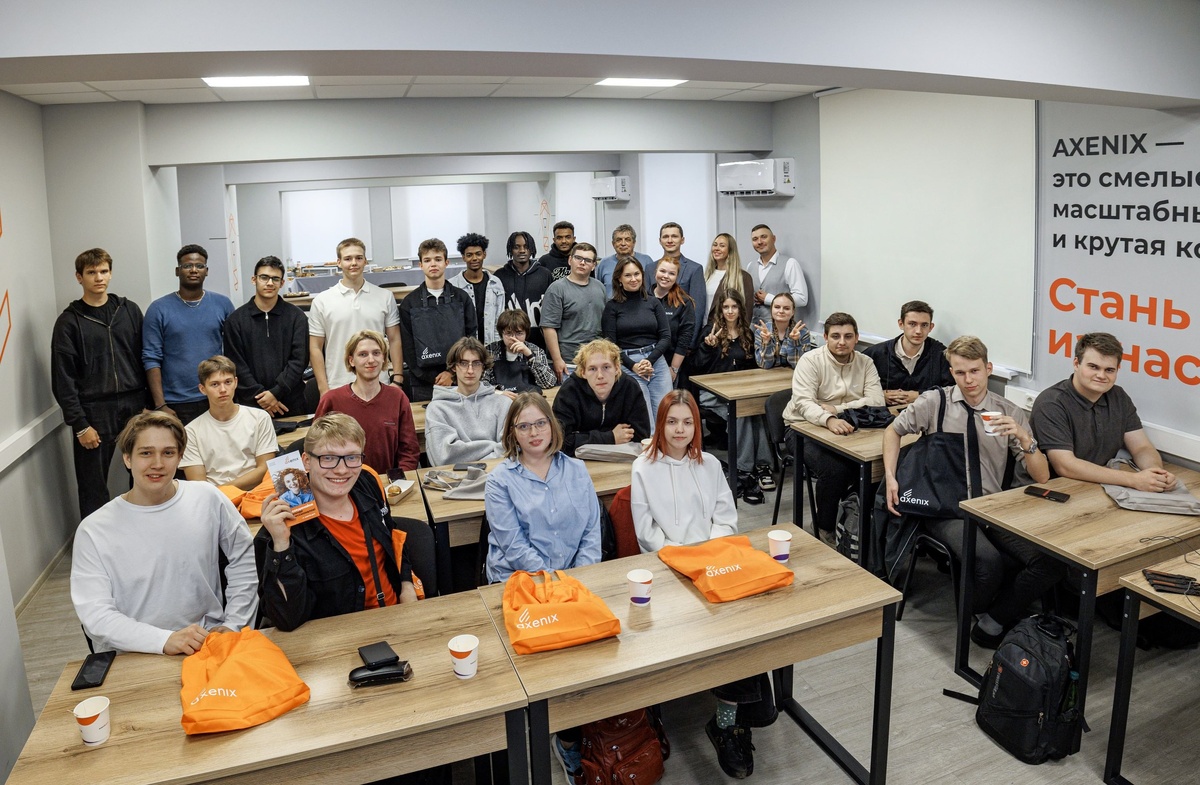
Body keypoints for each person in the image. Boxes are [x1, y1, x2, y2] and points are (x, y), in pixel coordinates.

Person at [883, 336, 1059, 648]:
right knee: (988, 563)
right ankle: (978, 614)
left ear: (988, 368)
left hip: (992, 507)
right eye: (961, 373)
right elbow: (892, 431)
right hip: (947, 507)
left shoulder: (1008, 411)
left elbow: (1042, 476)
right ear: (952, 372)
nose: (969, 380)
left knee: (1050, 562)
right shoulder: (935, 403)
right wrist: (890, 477)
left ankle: (993, 619)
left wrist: (1023, 437)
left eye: (975, 371)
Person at [630, 391, 767, 779]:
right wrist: (685, 560)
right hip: (669, 571)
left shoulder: (709, 465)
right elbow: (647, 534)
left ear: (697, 426)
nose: (680, 430)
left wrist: (708, 557)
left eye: (687, 422)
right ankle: (733, 718)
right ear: (661, 424)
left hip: (714, 564)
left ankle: (727, 720)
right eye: (672, 422)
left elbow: (727, 519)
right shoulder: (643, 468)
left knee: (747, 623)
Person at [71, 411, 258, 655]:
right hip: (132, 655)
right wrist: (164, 640)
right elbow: (96, 615)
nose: (157, 463)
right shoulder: (94, 530)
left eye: (168, 453)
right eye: (146, 453)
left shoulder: (207, 497)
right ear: (127, 458)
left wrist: (234, 624)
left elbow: (244, 558)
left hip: (206, 644)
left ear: (180, 457)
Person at [255, 412, 423, 631]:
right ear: (306, 462)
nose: (342, 470)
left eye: (352, 457)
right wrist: (280, 545)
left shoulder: (367, 483)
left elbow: (392, 536)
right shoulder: (277, 530)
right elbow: (287, 620)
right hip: (339, 636)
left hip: (396, 618)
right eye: (328, 458)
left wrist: (406, 586)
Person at [51, 247, 149, 520]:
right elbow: (63, 378)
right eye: (91, 272)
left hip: (134, 404)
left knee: (144, 473)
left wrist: (149, 405)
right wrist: (80, 424)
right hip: (94, 411)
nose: (99, 277)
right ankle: (96, 539)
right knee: (93, 484)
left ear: (111, 273)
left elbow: (145, 357)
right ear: (79, 277)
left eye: (104, 271)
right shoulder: (69, 322)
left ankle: (145, 527)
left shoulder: (129, 311)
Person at [782, 312, 884, 545]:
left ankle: (854, 519)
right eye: (836, 336)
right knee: (835, 470)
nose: (842, 342)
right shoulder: (810, 361)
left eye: (848, 336)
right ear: (826, 337)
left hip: (847, 425)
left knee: (877, 463)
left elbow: (877, 401)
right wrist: (828, 419)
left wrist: (837, 410)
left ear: (856, 338)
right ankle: (824, 527)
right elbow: (804, 403)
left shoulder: (865, 362)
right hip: (800, 428)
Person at [1031, 332, 1177, 491]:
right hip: (1050, 489)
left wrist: (1156, 473)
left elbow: (1141, 447)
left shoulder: (1118, 396)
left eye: (1109, 370)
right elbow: (1065, 465)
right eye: (1093, 367)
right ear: (1076, 364)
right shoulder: (1051, 403)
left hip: (1096, 484)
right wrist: (1133, 480)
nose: (1101, 375)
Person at [484, 391, 601, 582]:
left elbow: (592, 534)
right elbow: (515, 547)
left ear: (552, 424)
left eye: (541, 423)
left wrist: (579, 576)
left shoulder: (577, 470)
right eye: (524, 426)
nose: (534, 433)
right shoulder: (499, 481)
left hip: (574, 577)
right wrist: (554, 582)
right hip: (521, 578)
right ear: (512, 432)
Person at [142, 244, 235, 424]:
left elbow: (234, 352)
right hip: (176, 403)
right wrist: (160, 405)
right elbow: (151, 358)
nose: (193, 270)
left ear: (206, 271)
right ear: (177, 271)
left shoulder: (223, 304)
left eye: (199, 266)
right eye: (187, 266)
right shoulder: (158, 309)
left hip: (216, 397)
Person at [694, 290, 769, 504]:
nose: (729, 311)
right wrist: (707, 347)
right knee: (742, 413)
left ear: (740, 309)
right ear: (720, 309)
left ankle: (762, 466)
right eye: (726, 307)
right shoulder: (711, 331)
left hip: (739, 390)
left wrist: (765, 346)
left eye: (734, 307)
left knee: (755, 410)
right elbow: (697, 366)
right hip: (711, 393)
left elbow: (753, 367)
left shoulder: (747, 333)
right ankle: (745, 470)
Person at [307, 237, 404, 397]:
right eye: (348, 259)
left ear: (365, 261)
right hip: (337, 385)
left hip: (379, 384)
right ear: (339, 262)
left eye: (359, 258)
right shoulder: (322, 301)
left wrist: (398, 379)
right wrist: (324, 389)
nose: (354, 263)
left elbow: (395, 340)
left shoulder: (385, 297)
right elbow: (315, 347)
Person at [315, 330, 420, 475]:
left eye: (376, 353)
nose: (371, 360)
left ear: (384, 358)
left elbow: (409, 450)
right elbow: (316, 448)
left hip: (388, 483)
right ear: (351, 360)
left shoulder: (397, 398)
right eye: (363, 354)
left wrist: (398, 482)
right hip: (344, 481)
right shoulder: (331, 399)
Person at [222, 255, 309, 417]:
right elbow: (236, 364)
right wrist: (261, 397)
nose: (270, 283)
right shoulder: (235, 320)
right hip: (250, 405)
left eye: (275, 279)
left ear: (282, 283)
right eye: (264, 277)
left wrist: (276, 392)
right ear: (254, 279)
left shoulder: (297, 317)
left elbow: (299, 360)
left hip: (290, 403)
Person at [397, 237, 478, 402]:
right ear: (420, 265)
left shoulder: (462, 299)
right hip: (422, 384)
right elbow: (408, 348)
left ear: (446, 262)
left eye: (438, 259)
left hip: (459, 379)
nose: (433, 264)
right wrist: (431, 378)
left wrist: (451, 373)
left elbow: (471, 340)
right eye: (427, 260)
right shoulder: (409, 303)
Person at [180, 355, 277, 490]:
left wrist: (223, 489)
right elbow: (199, 485)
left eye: (228, 382)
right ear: (202, 389)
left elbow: (265, 468)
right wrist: (223, 494)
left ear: (236, 382)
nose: (223, 390)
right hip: (215, 499)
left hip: (256, 492)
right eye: (215, 384)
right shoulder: (190, 431)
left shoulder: (260, 418)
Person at [604, 257, 674, 424]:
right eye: (628, 275)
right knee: (645, 420)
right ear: (619, 279)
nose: (633, 279)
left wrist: (650, 361)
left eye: (637, 274)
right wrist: (633, 366)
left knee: (667, 416)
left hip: (656, 362)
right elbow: (610, 344)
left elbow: (666, 336)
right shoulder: (612, 307)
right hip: (627, 364)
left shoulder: (653, 302)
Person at [553, 339, 651, 457]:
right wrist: (610, 437)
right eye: (592, 369)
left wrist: (581, 437)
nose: (600, 375)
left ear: (617, 368)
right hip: (578, 460)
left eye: (606, 367)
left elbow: (641, 436)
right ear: (583, 372)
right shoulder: (569, 391)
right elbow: (560, 441)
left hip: (620, 459)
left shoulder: (630, 387)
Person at [424, 337, 511, 466]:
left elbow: (509, 449)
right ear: (454, 367)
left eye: (476, 363)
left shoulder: (504, 404)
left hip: (496, 473)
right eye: (464, 363)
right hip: (455, 476)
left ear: (483, 367)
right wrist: (493, 447)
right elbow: (444, 458)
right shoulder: (437, 409)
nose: (470, 370)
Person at [862, 300, 952, 406]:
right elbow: (854, 386)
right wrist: (878, 395)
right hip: (884, 413)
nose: (918, 331)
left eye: (924, 325)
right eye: (912, 324)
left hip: (925, 413)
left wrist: (919, 395)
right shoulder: (876, 353)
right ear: (901, 324)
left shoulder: (941, 354)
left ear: (931, 327)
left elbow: (951, 391)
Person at [541, 241, 606, 380]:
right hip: (569, 363)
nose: (582, 263)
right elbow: (548, 327)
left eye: (588, 260)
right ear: (570, 260)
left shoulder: (600, 287)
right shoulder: (557, 289)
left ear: (594, 265)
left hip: (596, 360)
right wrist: (557, 360)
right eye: (578, 258)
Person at [645, 222, 706, 350]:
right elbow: (644, 303)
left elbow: (698, 309)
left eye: (674, 236)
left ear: (682, 240)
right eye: (665, 237)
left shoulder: (694, 269)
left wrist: (689, 345)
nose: (670, 240)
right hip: (652, 342)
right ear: (660, 241)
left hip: (680, 342)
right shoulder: (650, 268)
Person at [494, 230, 553, 350]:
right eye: (517, 247)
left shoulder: (544, 274)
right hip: (509, 339)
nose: (522, 250)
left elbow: (552, 309)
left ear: (532, 249)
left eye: (526, 247)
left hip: (539, 341)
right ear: (510, 250)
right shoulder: (499, 276)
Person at [484, 309, 558, 396]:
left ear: (526, 333)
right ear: (501, 334)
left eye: (519, 333)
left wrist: (530, 356)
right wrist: (499, 393)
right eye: (508, 333)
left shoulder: (535, 350)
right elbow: (481, 383)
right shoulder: (490, 351)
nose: (514, 338)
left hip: (528, 399)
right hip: (499, 399)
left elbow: (548, 383)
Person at [449, 232, 505, 345]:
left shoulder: (495, 283)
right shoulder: (452, 286)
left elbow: (499, 320)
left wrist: (496, 347)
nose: (474, 258)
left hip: (491, 346)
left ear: (484, 254)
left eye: (478, 254)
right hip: (463, 347)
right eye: (469, 255)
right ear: (463, 257)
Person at [748, 224, 808, 325]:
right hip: (753, 328)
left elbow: (802, 298)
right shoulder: (750, 266)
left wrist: (769, 299)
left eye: (764, 237)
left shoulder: (790, 263)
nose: (759, 242)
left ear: (773, 239)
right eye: (755, 239)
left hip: (781, 329)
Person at [651, 256, 696, 386]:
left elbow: (685, 338)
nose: (666, 276)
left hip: (669, 364)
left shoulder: (684, 303)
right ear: (656, 272)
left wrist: (674, 369)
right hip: (643, 363)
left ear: (677, 277)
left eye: (671, 273)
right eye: (662, 271)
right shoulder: (644, 297)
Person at [752, 292, 814, 370]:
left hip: (793, 375)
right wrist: (767, 343)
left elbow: (799, 366)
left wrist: (794, 342)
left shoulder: (803, 332)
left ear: (793, 312)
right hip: (769, 375)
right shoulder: (761, 332)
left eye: (786, 308)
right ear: (771, 309)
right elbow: (764, 365)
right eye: (777, 307)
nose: (781, 311)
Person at [704, 232, 754, 323]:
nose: (717, 248)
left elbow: (747, 312)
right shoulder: (706, 275)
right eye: (715, 245)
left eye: (722, 246)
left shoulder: (743, 277)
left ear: (730, 250)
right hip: (704, 329)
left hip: (727, 329)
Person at [595, 224, 654, 294]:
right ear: (613, 244)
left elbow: (653, 288)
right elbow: (599, 290)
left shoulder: (646, 261)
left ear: (634, 243)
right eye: (619, 240)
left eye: (627, 240)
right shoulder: (604, 263)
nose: (623, 243)